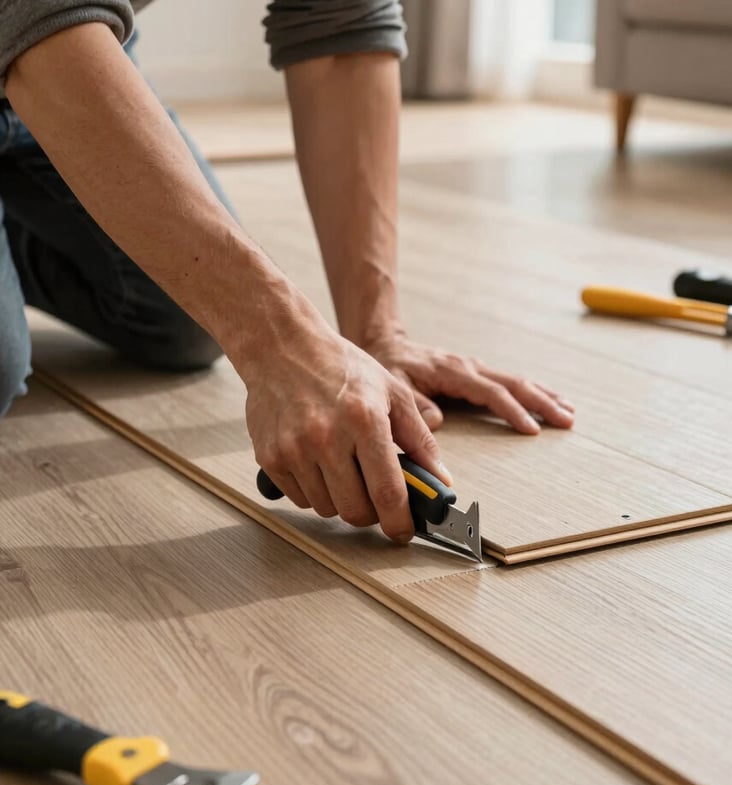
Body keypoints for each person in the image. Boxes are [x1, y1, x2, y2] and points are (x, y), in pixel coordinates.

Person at [0, 0, 574, 544]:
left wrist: (379, 335)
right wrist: (279, 339)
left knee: (186, 318)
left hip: (71, 40)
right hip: (46, 31)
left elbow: (341, 23)